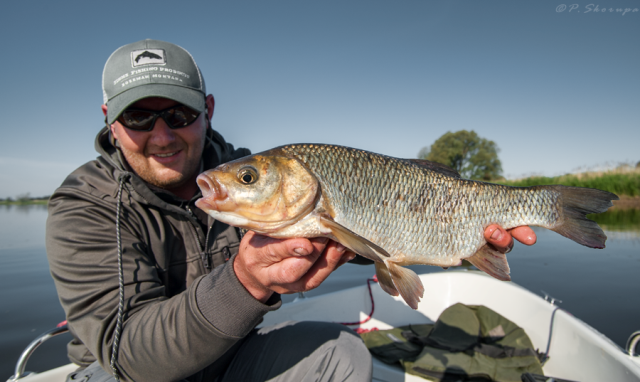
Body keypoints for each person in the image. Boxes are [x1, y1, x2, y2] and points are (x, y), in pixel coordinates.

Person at [46, 39, 537, 382]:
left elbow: (351, 228)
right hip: (123, 375)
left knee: (343, 354)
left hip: (227, 357)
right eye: (138, 117)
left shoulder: (250, 171)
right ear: (111, 123)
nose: (161, 134)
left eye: (178, 114)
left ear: (207, 109)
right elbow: (130, 358)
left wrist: (442, 230)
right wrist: (247, 282)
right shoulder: (83, 206)